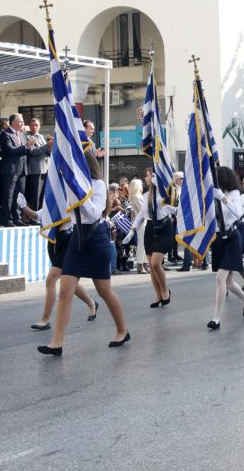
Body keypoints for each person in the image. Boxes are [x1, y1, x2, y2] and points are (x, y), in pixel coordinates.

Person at [38, 150, 130, 355]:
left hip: (96, 238)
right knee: (65, 290)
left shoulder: (97, 185)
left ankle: (122, 330)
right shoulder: (70, 185)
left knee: (104, 291)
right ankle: (57, 343)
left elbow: (93, 213)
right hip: (76, 239)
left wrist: (80, 194)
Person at [19, 197, 98, 330]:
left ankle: (45, 319)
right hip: (54, 240)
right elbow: (39, 215)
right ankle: (92, 303)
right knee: (67, 279)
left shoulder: (70, 197)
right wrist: (23, 206)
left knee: (51, 280)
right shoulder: (55, 195)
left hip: (67, 239)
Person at [207, 167, 244, 330]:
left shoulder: (234, 194)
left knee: (220, 278)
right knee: (228, 281)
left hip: (232, 237)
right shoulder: (214, 194)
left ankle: (216, 318)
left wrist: (223, 200)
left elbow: (238, 213)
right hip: (219, 238)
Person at [128, 168, 175, 307]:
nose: (146, 178)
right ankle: (158, 294)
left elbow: (176, 208)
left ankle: (165, 290)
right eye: (147, 176)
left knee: (155, 263)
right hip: (150, 229)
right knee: (151, 266)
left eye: (149, 175)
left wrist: (168, 208)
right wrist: (132, 229)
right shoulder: (147, 194)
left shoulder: (165, 193)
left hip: (163, 228)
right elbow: (142, 215)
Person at [0, 114, 29, 226]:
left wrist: (29, 147)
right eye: (20, 121)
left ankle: (18, 217)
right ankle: (8, 218)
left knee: (19, 194)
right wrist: (26, 147)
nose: (22, 123)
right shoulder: (5, 134)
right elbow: (9, 150)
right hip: (11, 169)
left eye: (22, 121)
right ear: (12, 122)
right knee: (9, 195)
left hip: (22, 168)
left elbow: (26, 151)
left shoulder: (21, 134)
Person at [24, 118, 51, 211]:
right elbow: (32, 152)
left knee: (42, 194)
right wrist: (47, 146)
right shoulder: (27, 136)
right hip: (35, 169)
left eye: (36, 125)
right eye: (32, 125)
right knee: (35, 194)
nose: (34, 127)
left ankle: (40, 213)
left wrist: (50, 148)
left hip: (45, 168)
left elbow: (46, 151)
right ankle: (34, 214)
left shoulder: (41, 136)